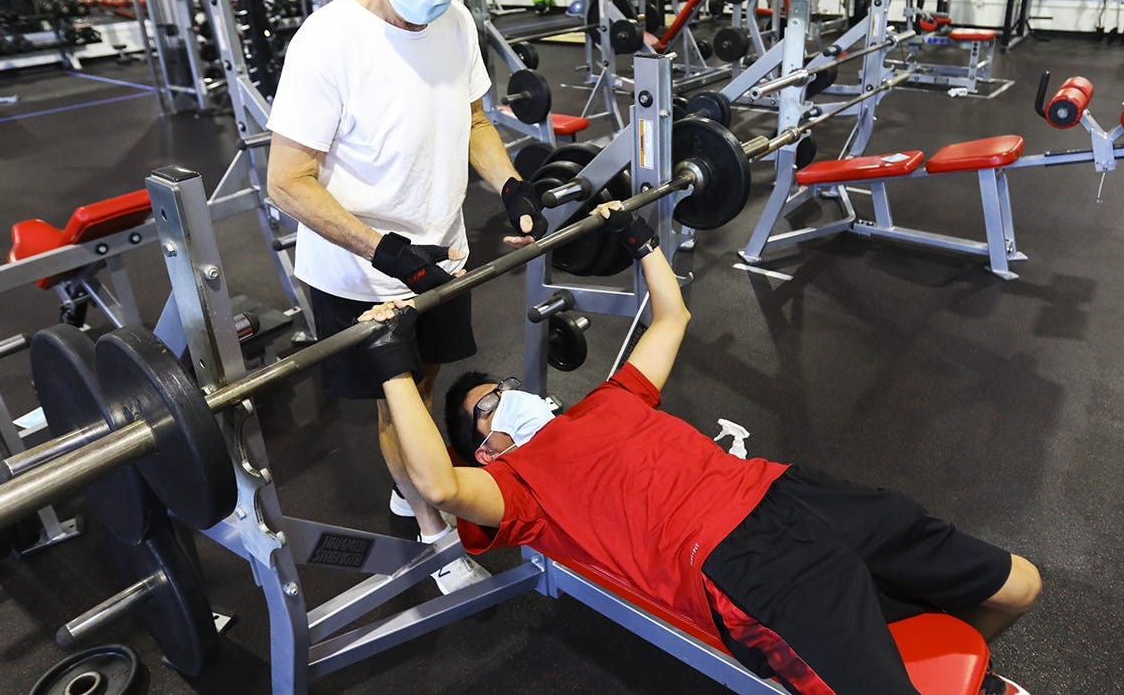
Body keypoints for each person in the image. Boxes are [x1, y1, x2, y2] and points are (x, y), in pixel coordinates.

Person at [360, 203, 1043, 694]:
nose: (509, 395)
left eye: (506, 385)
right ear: (484, 448)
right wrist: (394, 365)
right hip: (739, 563)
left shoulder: (610, 399)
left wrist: (638, 237)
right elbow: (437, 486)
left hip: (791, 492)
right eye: (487, 407)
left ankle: (958, 674)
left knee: (1019, 585)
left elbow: (673, 316)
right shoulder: (517, 488)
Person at [265, 0, 546, 594]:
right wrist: (385, 252)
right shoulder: (327, 42)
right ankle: (435, 539)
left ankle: (409, 488)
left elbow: (474, 118)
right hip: (362, 271)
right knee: (399, 409)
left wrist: (511, 186)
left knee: (423, 384)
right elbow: (286, 181)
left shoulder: (455, 23)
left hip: (441, 255)